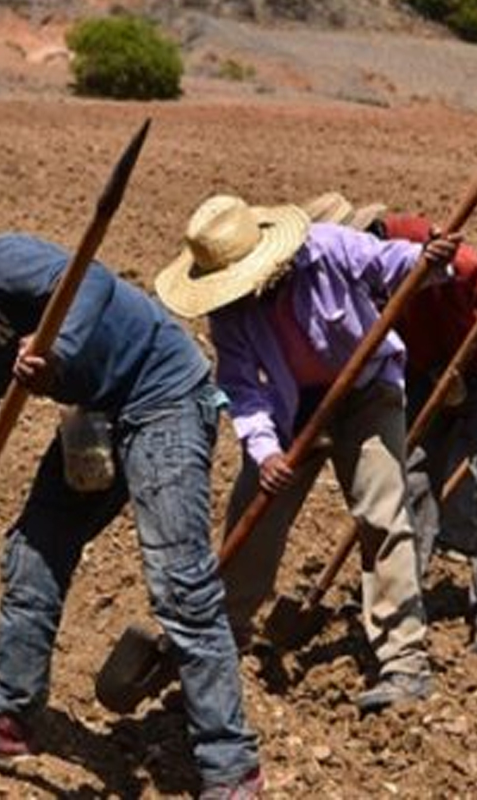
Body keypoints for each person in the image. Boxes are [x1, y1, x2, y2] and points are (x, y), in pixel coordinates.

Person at [0, 225, 262, 797]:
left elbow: (89, 279)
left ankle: (231, 767)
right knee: (32, 551)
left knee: (180, 584)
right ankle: (6, 715)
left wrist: (54, 347)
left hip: (162, 394)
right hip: (97, 416)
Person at [154, 194, 459, 713]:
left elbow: (391, 265)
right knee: (252, 520)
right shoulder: (229, 313)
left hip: (365, 393)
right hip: (288, 412)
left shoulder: (327, 248)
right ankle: (220, 645)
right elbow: (241, 389)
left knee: (383, 515)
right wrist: (266, 451)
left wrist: (425, 258)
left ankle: (405, 662)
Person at [367, 211, 477, 655]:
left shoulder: (418, 237)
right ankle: (405, 603)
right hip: (419, 372)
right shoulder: (346, 270)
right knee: (411, 482)